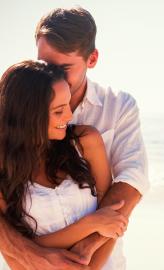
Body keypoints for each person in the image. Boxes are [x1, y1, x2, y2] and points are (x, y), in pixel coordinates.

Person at [0, 7, 149, 270]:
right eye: (44, 64)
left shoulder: (116, 108)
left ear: (92, 59)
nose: (51, 74)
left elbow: (131, 180)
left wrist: (87, 250)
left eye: (63, 67)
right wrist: (27, 253)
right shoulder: (14, 123)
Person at [0, 60, 131, 270]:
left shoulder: (86, 141)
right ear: (27, 115)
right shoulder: (4, 167)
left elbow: (111, 223)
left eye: (68, 105)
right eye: (58, 111)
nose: (69, 116)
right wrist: (90, 224)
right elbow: (24, 249)